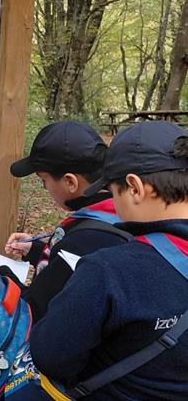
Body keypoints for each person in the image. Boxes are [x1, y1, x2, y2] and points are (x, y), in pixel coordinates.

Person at [31, 121, 188, 400]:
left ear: (135, 188)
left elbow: (51, 356)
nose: (115, 206)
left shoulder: (110, 270)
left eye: (114, 193)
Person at [4, 121, 129, 320]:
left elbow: (33, 309)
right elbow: (67, 271)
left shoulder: (82, 241)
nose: (45, 188)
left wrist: (0, 276)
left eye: (44, 180)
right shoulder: (122, 215)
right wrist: (36, 250)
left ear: (70, 182)